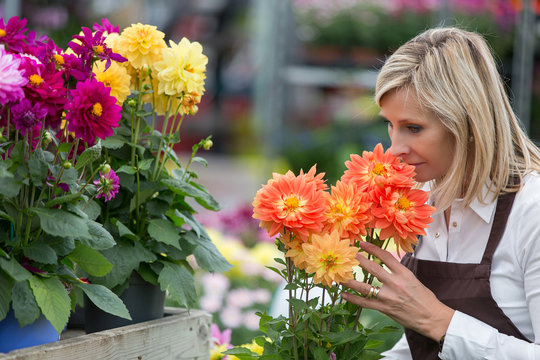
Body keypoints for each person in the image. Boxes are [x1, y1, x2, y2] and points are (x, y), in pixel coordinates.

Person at [341, 27, 540, 359]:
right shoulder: (421, 197)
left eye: (414, 128)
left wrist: (439, 321)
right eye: (390, 125)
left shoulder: (532, 209)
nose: (394, 150)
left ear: (466, 123)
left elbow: (435, 325)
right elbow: (426, 347)